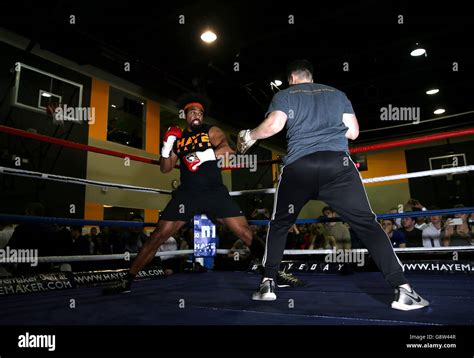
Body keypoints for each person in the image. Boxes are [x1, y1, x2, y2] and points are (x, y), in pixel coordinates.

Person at [237, 59, 429, 310]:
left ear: (291, 79)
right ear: (311, 76)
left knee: (280, 223)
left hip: (299, 168)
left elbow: (274, 125)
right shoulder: (337, 94)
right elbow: (353, 132)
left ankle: (268, 283)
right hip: (337, 167)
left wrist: (249, 135)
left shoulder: (285, 94)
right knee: (367, 224)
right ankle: (403, 289)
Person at [103, 94, 303, 294]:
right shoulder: (178, 139)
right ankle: (126, 280)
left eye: (200, 112)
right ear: (185, 115)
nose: (197, 115)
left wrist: (201, 155)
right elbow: (165, 168)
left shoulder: (210, 131)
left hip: (214, 192)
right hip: (187, 194)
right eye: (193, 112)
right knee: (157, 235)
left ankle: (275, 273)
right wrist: (166, 147)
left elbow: (229, 149)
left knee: (245, 233)